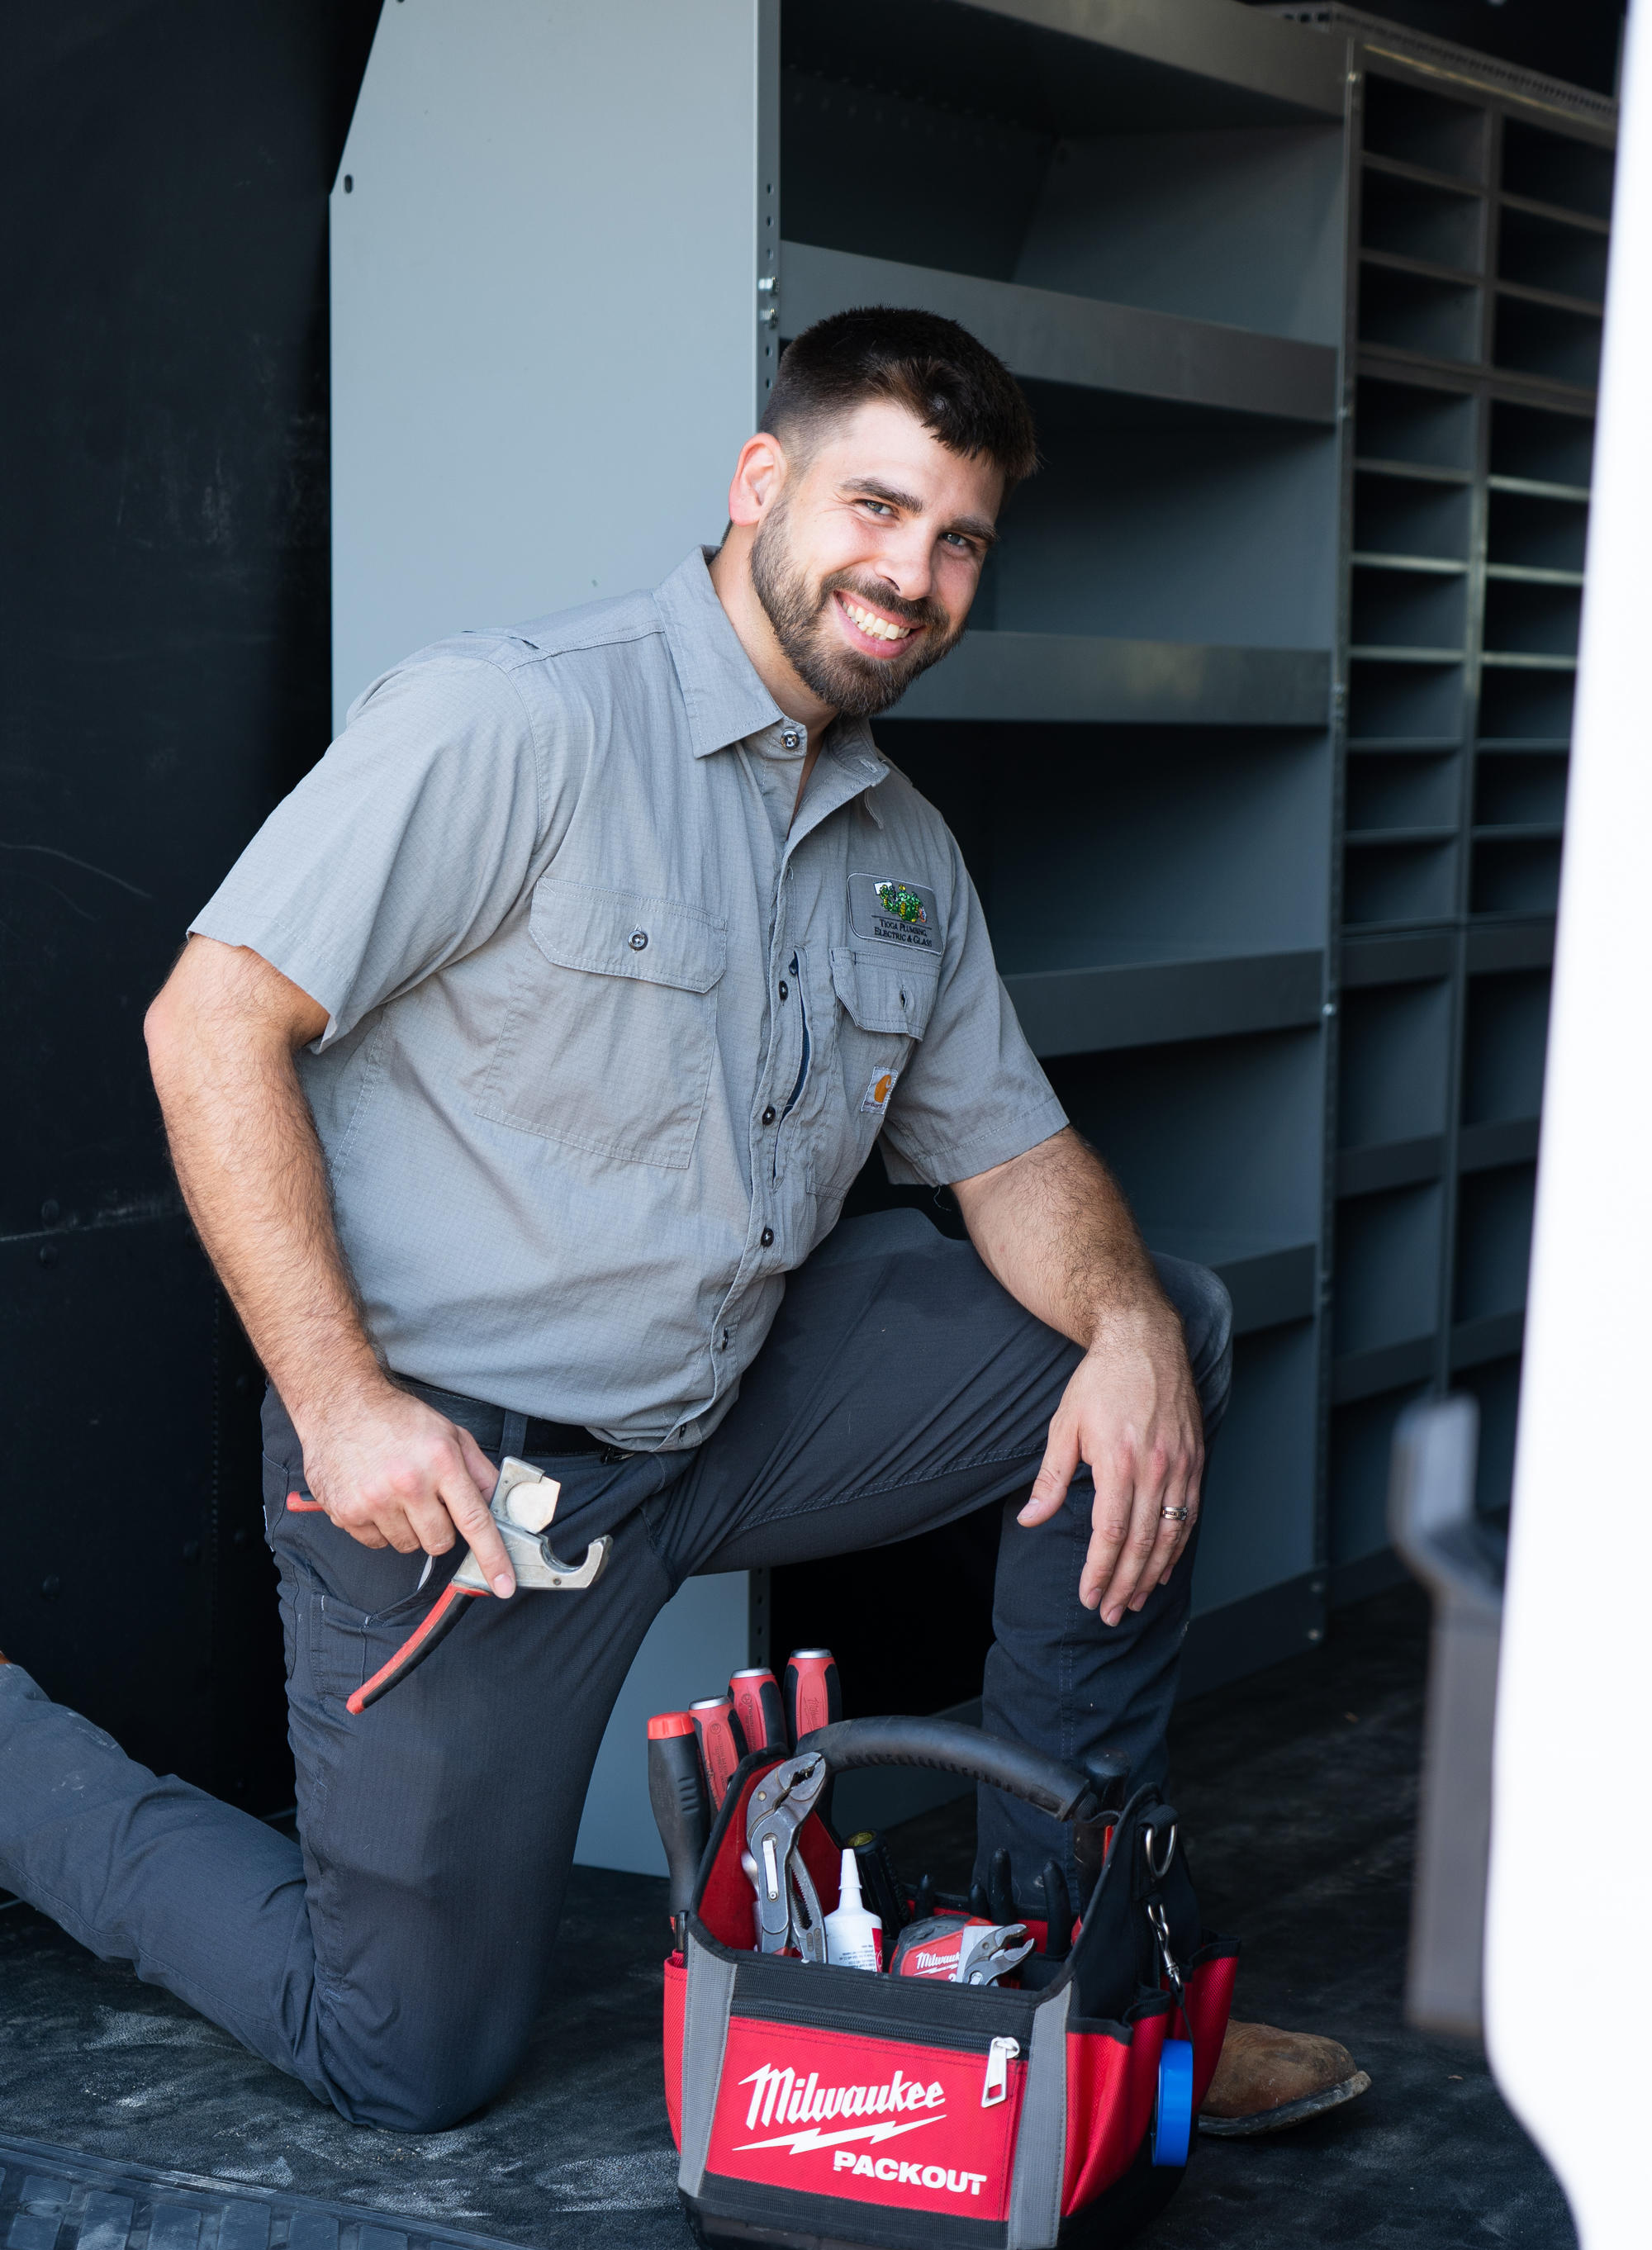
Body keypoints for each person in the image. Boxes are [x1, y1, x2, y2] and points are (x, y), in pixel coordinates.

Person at [0, 309, 1364, 2138]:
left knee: (1152, 1334)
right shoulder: (518, 718)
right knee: (406, 2054)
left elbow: (1016, 1156)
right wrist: (342, 1404)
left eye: (958, 539)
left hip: (728, 1411)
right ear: (757, 485)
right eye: (876, 507)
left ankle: (1071, 1993)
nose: (912, 574)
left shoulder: (899, 847)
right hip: (478, 1485)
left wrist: (1118, 1333)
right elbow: (210, 1022)